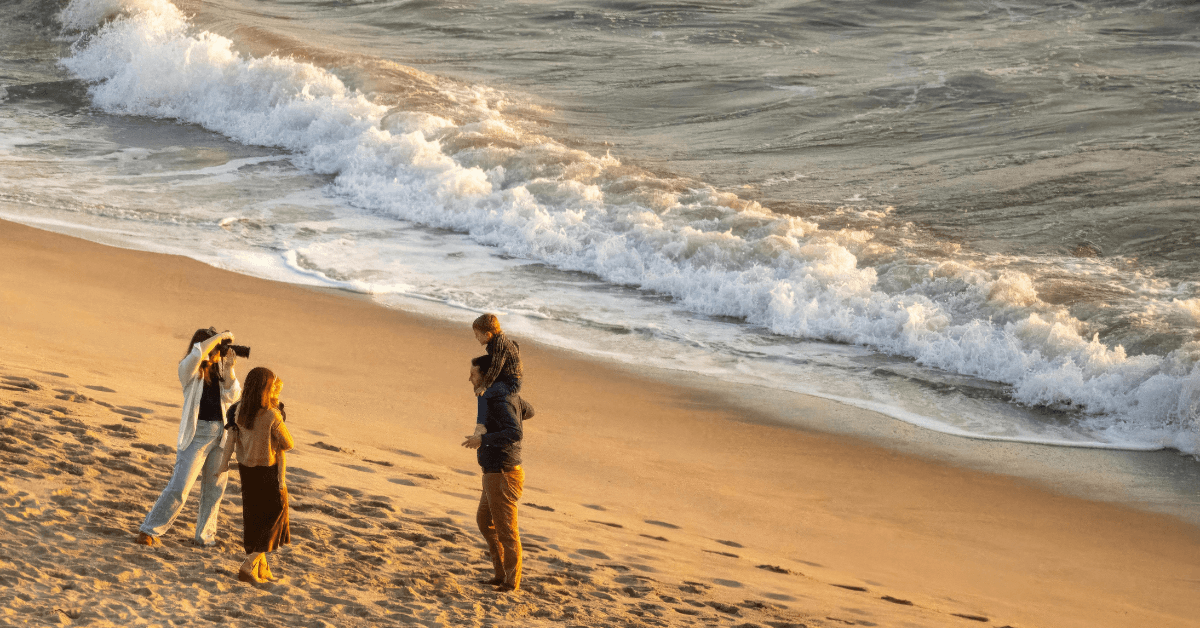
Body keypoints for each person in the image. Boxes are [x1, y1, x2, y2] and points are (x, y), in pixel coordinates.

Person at [136, 328, 242, 547]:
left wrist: (230, 368)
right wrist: (218, 338)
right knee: (180, 486)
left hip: (221, 436)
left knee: (214, 489)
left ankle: (205, 537)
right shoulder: (189, 371)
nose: (217, 352)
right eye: (214, 348)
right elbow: (197, 353)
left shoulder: (220, 371)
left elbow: (233, 396)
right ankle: (149, 530)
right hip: (196, 435)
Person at [463, 355, 533, 592]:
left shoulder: (499, 399)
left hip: (503, 474)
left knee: (507, 531)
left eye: (473, 374)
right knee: (484, 521)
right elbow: (528, 411)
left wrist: (483, 439)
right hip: (493, 474)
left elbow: (515, 433)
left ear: (486, 376)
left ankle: (511, 583)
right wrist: (512, 409)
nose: (469, 378)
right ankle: (501, 573)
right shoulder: (498, 397)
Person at [221, 367, 294, 583]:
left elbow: (232, 439)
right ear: (266, 389)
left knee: (254, 519)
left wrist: (223, 464)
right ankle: (249, 563)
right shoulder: (272, 414)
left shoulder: (238, 410)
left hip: (247, 471)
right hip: (268, 472)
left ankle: (262, 568)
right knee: (275, 518)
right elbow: (289, 443)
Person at [470, 313, 522, 439]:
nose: (476, 337)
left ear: (488, 335)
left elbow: (495, 368)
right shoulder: (498, 340)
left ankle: (481, 425)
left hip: (511, 383)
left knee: (483, 394)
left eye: (477, 334)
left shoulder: (499, 345)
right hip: (506, 376)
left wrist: (484, 386)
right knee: (477, 362)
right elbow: (515, 346)